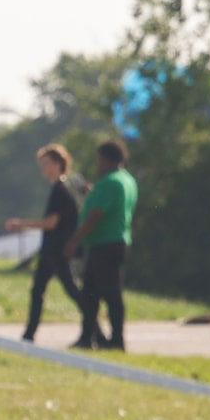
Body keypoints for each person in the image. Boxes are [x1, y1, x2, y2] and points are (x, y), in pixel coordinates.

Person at [7, 145, 83, 343]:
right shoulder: (57, 189)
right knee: (38, 290)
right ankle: (29, 334)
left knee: (71, 290)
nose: (43, 167)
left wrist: (21, 224)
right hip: (49, 250)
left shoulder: (61, 190)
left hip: (58, 249)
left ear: (58, 164)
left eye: (46, 163)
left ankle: (94, 328)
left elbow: (51, 223)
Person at [73, 139, 137, 351]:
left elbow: (94, 216)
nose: (97, 163)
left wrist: (74, 241)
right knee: (90, 292)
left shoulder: (111, 182)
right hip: (112, 242)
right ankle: (88, 337)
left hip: (106, 244)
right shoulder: (125, 179)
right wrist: (89, 192)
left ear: (107, 159)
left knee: (110, 293)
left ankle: (116, 339)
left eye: (99, 159)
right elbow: (103, 202)